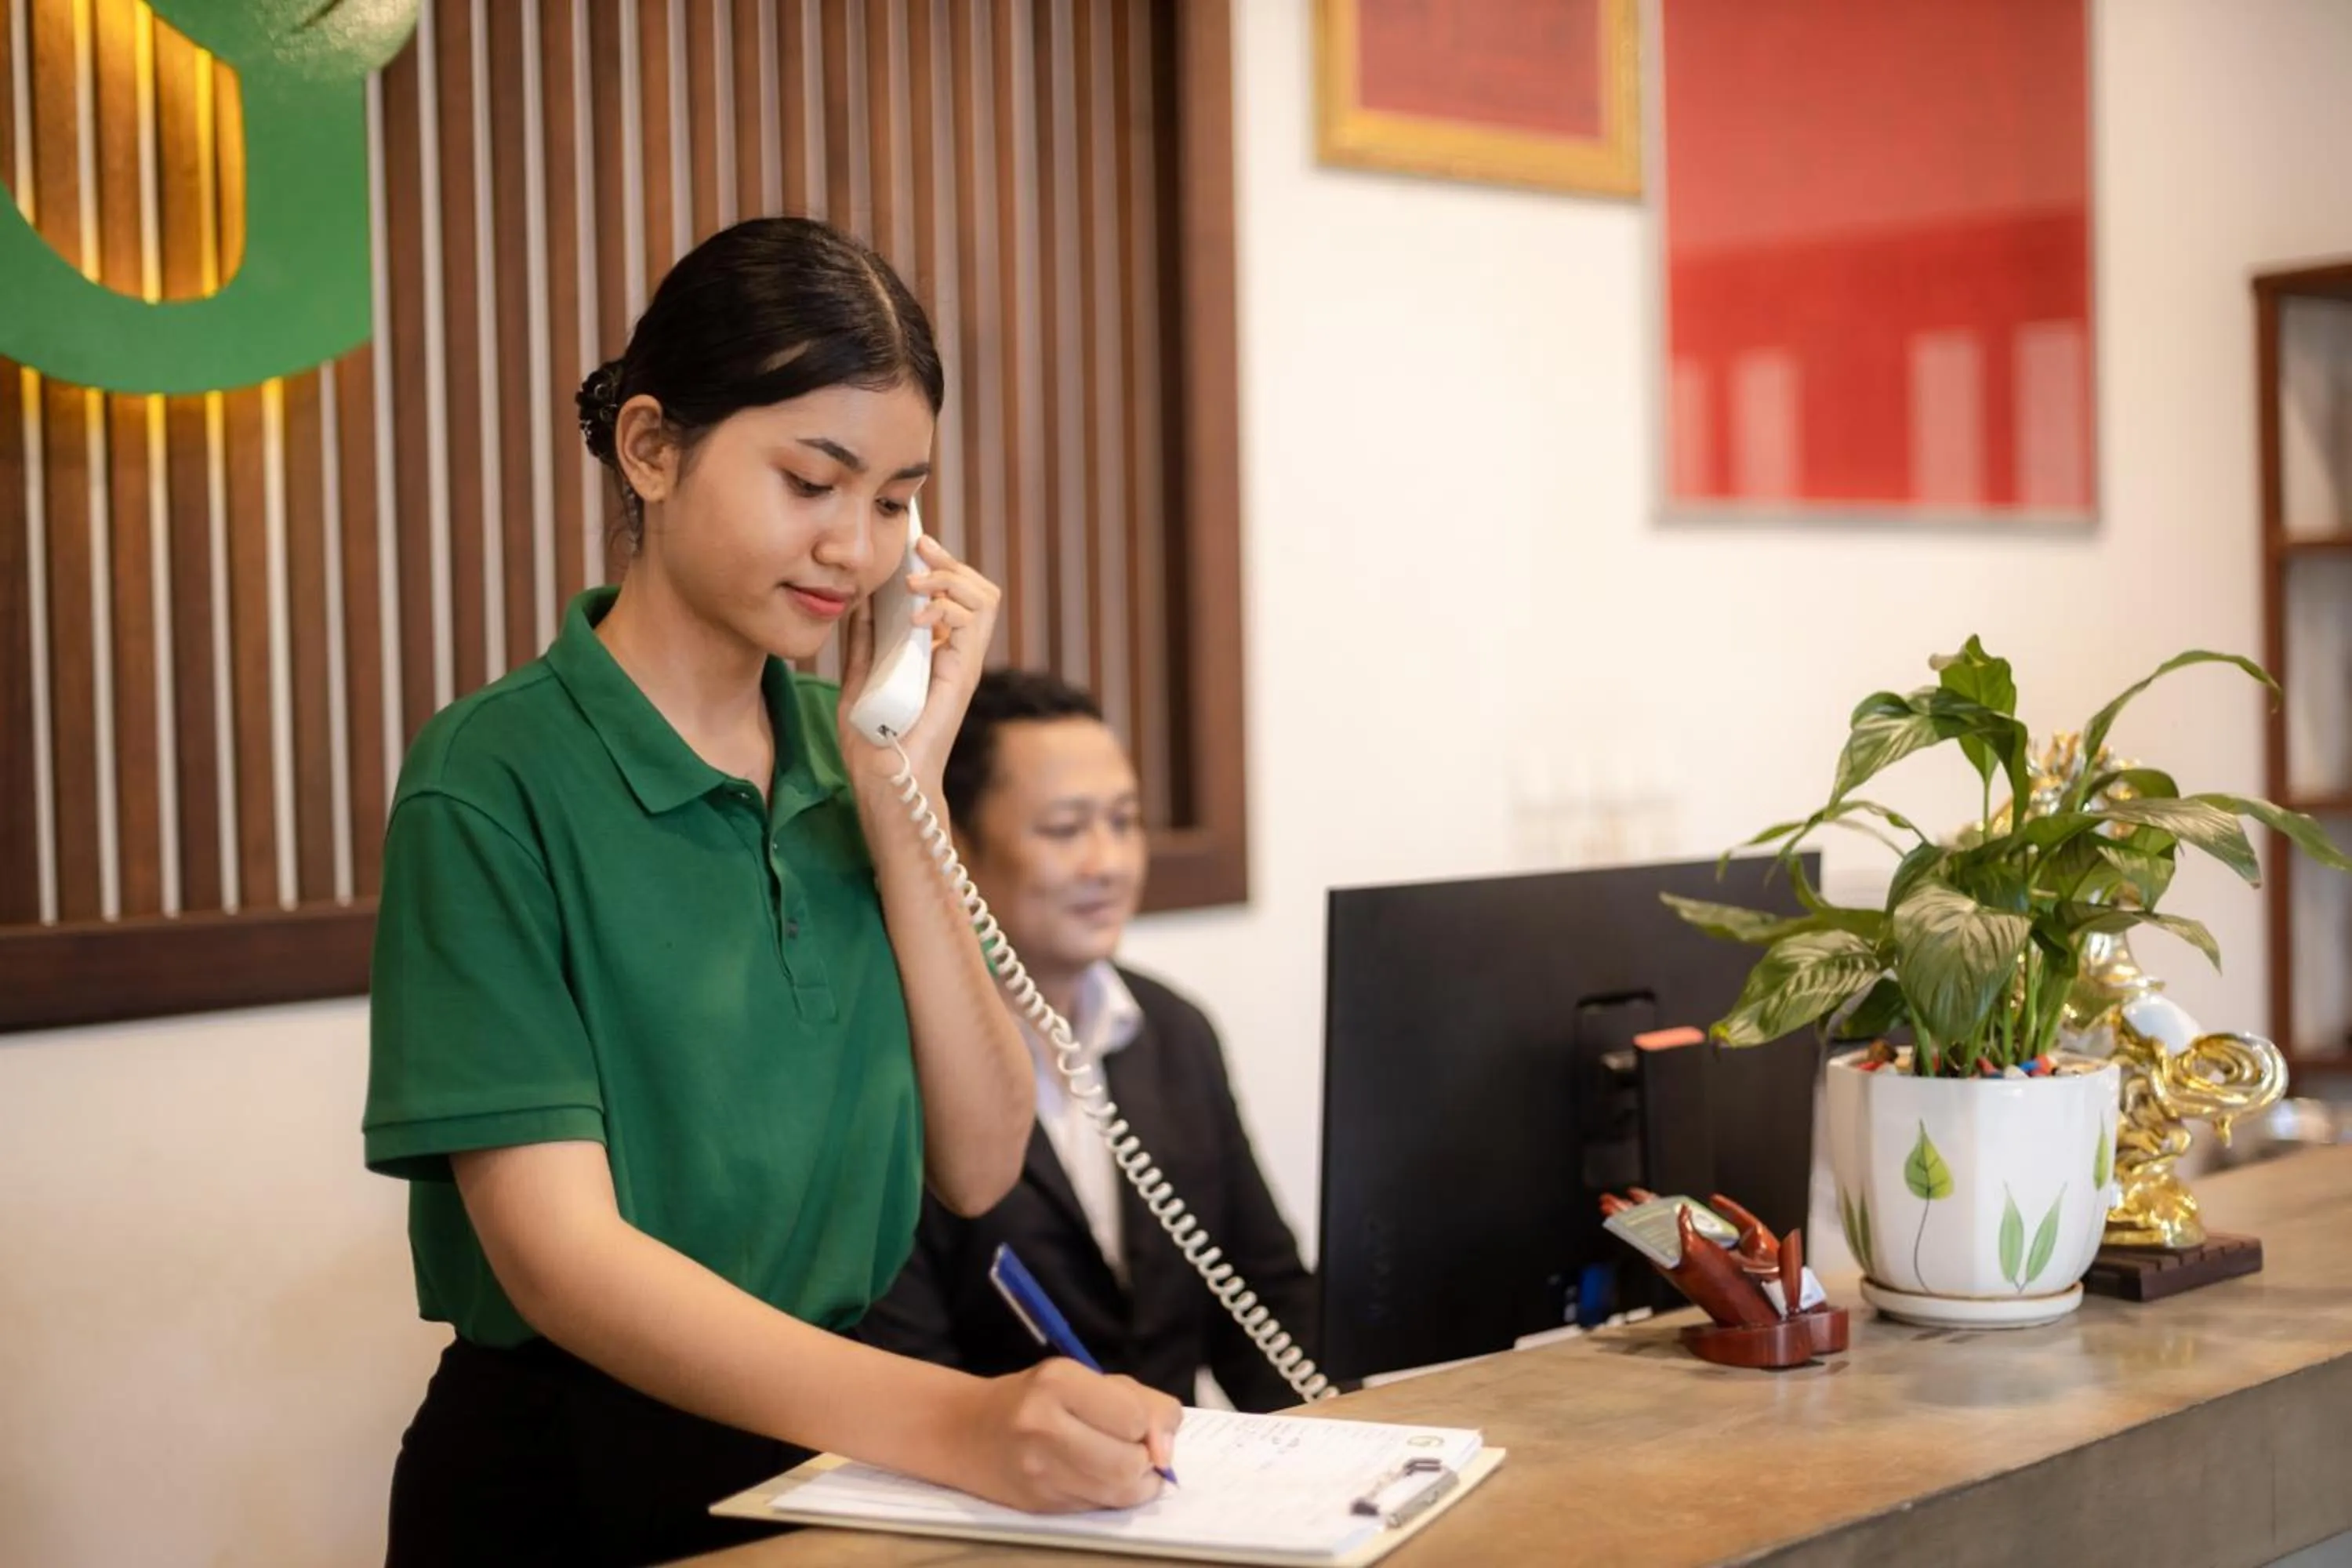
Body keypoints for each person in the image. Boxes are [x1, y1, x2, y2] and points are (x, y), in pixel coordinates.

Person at [361, 217, 1179, 1568]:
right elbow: (561, 1261)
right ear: (650, 449)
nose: (855, 550)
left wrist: (900, 788)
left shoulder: (854, 752)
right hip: (573, 1478)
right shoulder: (490, 777)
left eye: (897, 501)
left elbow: (980, 1161)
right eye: (812, 481)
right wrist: (959, 1423)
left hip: (829, 1459)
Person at [855, 670, 1319, 1414]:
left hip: (1193, 1470)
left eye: (1125, 821)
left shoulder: (1171, 1029)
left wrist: (1362, 1447)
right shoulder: (893, 1067)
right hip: (989, 1476)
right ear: (953, 845)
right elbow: (905, 1369)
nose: (1108, 863)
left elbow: (1268, 1300)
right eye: (1065, 830)